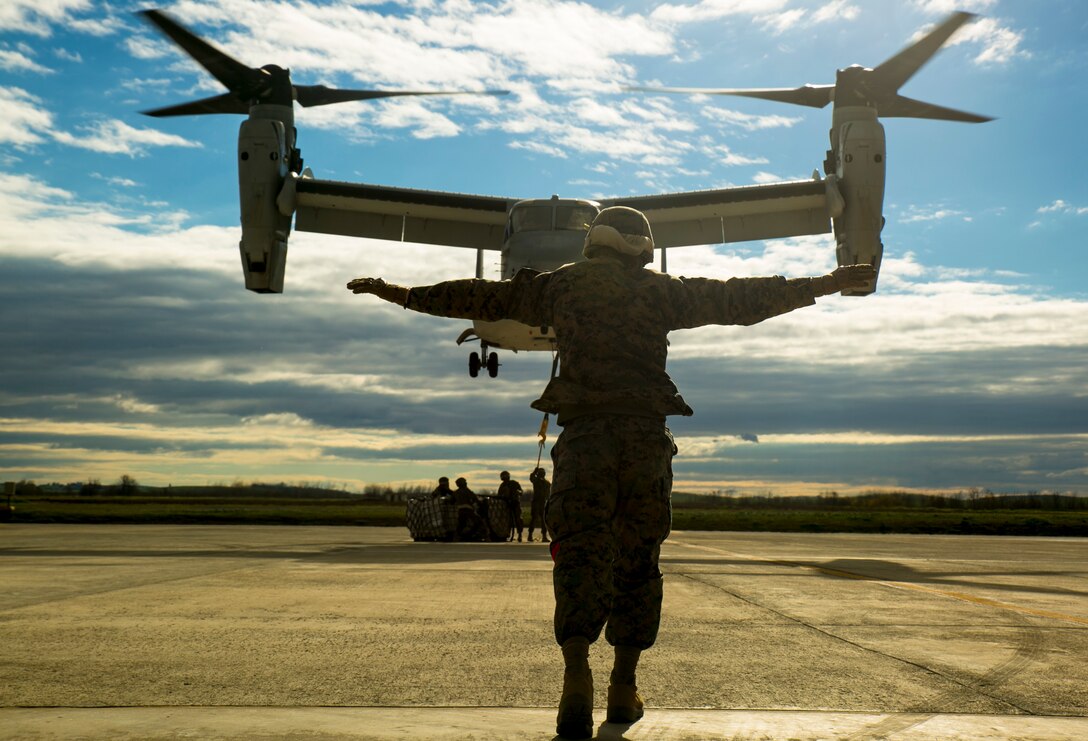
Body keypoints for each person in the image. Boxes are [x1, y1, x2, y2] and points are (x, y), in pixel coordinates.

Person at [348, 206, 875, 739]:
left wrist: (402, 293)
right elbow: (739, 298)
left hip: (585, 439)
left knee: (579, 554)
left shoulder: (561, 286)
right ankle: (624, 687)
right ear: (640, 246)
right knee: (639, 559)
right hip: (645, 440)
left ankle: (576, 679)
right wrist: (825, 282)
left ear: (593, 243)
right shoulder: (663, 290)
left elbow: (478, 295)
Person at [497, 470, 524, 542]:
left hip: (515, 503)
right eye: (503, 476)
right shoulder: (502, 486)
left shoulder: (514, 483)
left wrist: (518, 492)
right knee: (507, 520)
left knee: (518, 519)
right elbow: (499, 496)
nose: (504, 477)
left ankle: (520, 534)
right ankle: (507, 534)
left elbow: (521, 492)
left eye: (505, 476)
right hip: (507, 505)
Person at [527, 467, 550, 543]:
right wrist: (534, 471)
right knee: (534, 519)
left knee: (543, 520)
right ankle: (530, 535)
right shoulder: (536, 481)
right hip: (536, 502)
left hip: (543, 502)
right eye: (540, 473)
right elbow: (531, 478)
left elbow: (548, 493)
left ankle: (544, 536)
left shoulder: (547, 483)